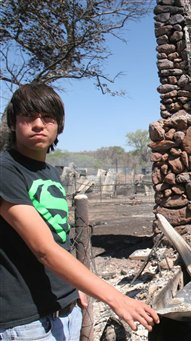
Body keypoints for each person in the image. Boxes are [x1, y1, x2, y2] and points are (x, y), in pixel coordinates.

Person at [0, 83, 160, 340]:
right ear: (13, 122)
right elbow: (44, 249)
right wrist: (116, 298)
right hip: (28, 321)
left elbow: (59, 237)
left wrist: (74, 285)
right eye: (29, 117)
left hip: (65, 309)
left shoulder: (50, 172)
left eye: (48, 118)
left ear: (59, 126)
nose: (39, 124)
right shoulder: (6, 172)